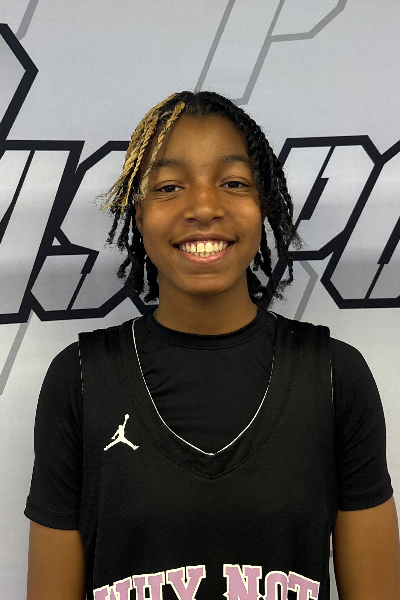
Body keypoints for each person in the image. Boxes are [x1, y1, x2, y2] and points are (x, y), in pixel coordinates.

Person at [25, 91, 400, 600]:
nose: (203, 207)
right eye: (170, 187)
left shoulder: (335, 377)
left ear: (263, 205)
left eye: (233, 183)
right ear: (139, 212)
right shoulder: (81, 380)